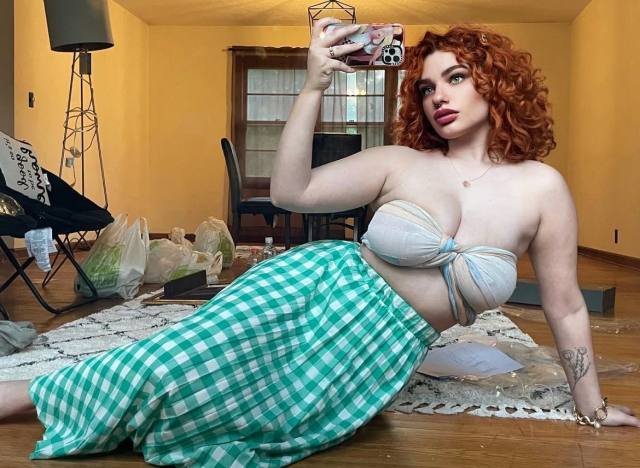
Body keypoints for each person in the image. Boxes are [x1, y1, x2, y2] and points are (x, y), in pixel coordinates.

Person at [2, 18, 639, 467]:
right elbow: (292, 190)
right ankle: (22, 395)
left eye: (457, 78)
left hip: (376, 353)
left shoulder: (541, 188)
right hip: (314, 288)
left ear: (496, 83)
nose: (438, 97)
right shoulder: (400, 162)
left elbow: (565, 306)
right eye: (427, 87)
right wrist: (313, 85)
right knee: (174, 363)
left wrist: (590, 406)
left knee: (245, 419)